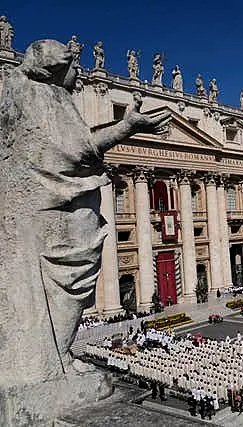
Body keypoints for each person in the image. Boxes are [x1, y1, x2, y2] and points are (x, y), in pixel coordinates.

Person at [0, 39, 170, 392]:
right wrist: (125, 128)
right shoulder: (37, 98)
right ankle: (54, 357)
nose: (79, 76)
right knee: (69, 280)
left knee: (72, 279)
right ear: (55, 68)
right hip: (52, 211)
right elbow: (74, 151)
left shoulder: (49, 98)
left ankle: (57, 354)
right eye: (73, 68)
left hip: (57, 209)